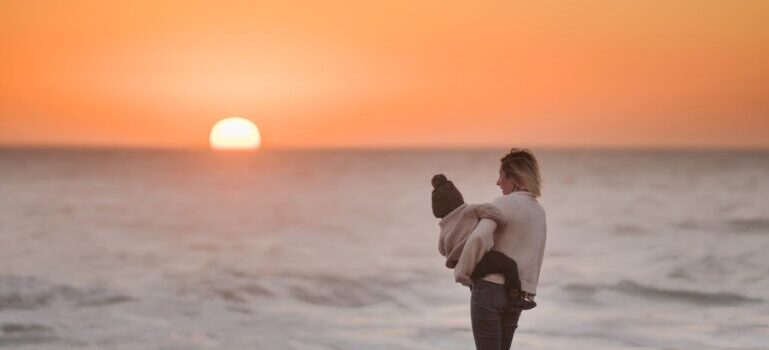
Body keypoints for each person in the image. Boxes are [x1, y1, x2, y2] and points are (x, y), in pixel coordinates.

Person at [453, 148, 547, 350]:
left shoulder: (503, 204)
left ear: (514, 177)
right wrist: (529, 290)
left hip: (489, 291)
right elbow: (537, 256)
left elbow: (478, 236)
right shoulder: (539, 212)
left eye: (501, 175)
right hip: (516, 296)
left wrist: (463, 273)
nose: (498, 182)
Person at [432, 174, 536, 310]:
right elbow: (491, 211)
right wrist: (501, 223)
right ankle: (514, 298)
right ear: (457, 197)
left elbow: (442, 250)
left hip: (464, 266)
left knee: (475, 287)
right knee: (509, 265)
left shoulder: (443, 229)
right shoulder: (468, 211)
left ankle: (479, 300)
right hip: (481, 258)